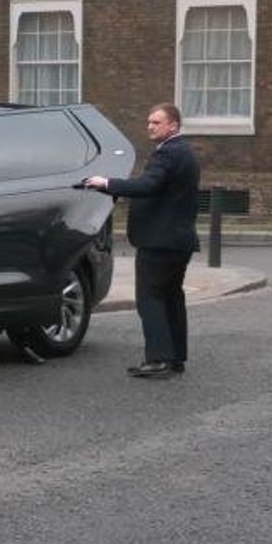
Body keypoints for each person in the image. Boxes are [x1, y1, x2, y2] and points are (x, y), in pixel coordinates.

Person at [83, 103, 200, 378]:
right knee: (171, 298)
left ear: (173, 125)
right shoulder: (184, 153)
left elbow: (148, 186)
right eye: (149, 122)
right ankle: (175, 358)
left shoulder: (169, 154)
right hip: (177, 240)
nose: (150, 126)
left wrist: (106, 183)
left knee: (151, 299)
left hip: (160, 242)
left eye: (156, 122)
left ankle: (159, 358)